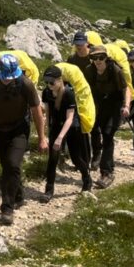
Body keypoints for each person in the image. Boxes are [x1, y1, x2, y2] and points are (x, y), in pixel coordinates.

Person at [0, 54, 47, 226]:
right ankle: (19, 194)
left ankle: (7, 208)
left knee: (13, 164)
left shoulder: (25, 84)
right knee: (7, 166)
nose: (7, 81)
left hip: (19, 129)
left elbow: (37, 112)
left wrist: (42, 138)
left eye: (10, 78)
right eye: (4, 78)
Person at [39, 65, 92, 202]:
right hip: (56, 125)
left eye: (52, 82)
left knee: (76, 157)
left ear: (60, 80)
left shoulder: (68, 93)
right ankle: (49, 190)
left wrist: (60, 138)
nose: (49, 85)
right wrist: (46, 133)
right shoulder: (46, 92)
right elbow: (47, 113)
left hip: (71, 127)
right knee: (53, 159)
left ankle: (87, 179)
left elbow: (70, 118)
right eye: (47, 82)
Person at [83, 45, 132, 188]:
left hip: (114, 104)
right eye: (94, 58)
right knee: (93, 130)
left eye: (101, 57)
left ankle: (107, 172)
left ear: (106, 58)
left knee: (108, 134)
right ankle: (97, 156)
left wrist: (126, 106)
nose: (97, 61)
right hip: (97, 103)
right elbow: (85, 89)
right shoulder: (89, 71)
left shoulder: (115, 70)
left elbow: (126, 89)